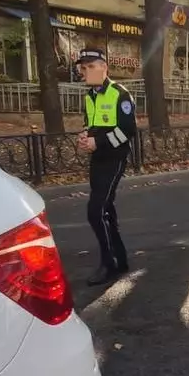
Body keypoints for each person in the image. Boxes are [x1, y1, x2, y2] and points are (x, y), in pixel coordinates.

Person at [76, 48, 136, 286]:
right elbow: (90, 123)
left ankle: (109, 264)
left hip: (114, 158)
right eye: (83, 67)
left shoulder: (120, 94)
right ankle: (119, 259)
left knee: (96, 211)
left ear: (104, 67)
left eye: (90, 66)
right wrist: (84, 136)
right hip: (97, 158)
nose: (85, 71)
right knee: (106, 209)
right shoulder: (90, 96)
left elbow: (127, 130)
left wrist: (97, 141)